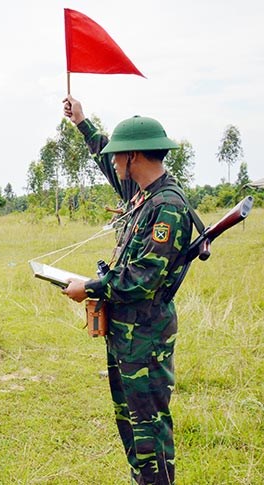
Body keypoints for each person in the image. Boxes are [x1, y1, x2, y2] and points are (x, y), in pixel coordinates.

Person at [62, 95, 196, 484]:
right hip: (127, 331)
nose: (115, 160)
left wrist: (89, 287)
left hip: (146, 334)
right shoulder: (143, 195)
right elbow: (104, 159)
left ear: (134, 156)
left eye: (120, 154)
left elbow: (143, 278)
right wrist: (82, 122)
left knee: (148, 422)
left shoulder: (167, 207)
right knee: (130, 418)